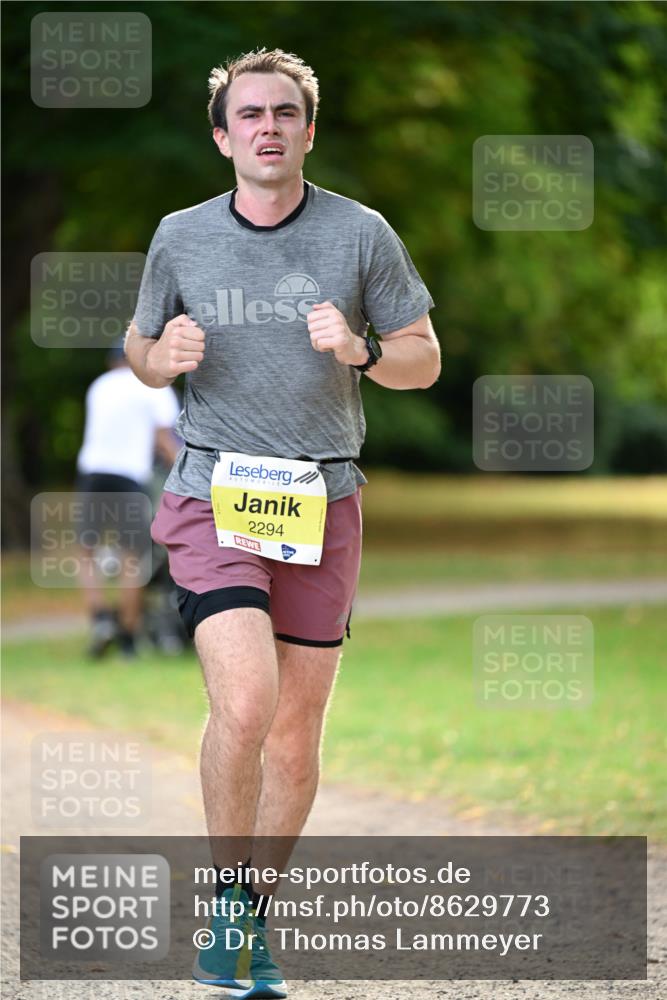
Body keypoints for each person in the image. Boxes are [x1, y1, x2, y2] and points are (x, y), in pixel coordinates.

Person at [124, 47, 440, 997]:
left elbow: (422, 359)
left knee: (296, 736)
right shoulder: (180, 236)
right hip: (214, 491)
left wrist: (361, 347)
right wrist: (159, 355)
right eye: (249, 114)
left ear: (308, 129)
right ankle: (226, 899)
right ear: (223, 136)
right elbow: (140, 347)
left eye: (285, 113)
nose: (268, 127)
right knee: (249, 702)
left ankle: (247, 920)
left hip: (323, 498)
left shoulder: (361, 234)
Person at [76, 341, 180, 657]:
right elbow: (165, 442)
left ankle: (100, 617)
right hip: (129, 477)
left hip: (93, 473)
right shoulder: (154, 388)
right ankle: (128, 637)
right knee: (132, 558)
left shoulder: (99, 386)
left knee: (85, 551)